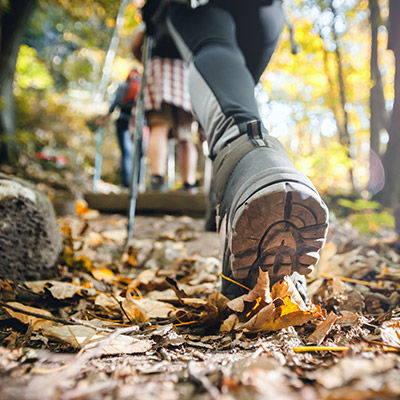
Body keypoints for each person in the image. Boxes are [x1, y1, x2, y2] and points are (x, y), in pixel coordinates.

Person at [140, 0, 329, 300]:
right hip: (264, 16)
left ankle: (247, 160)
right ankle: (233, 187)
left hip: (197, 11)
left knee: (214, 49)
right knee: (231, 90)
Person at [131, 22, 198, 193]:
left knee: (159, 126)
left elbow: (136, 45)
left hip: (158, 71)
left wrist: (146, 61)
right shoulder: (189, 15)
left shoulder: (156, 12)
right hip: (185, 74)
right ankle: (188, 184)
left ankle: (157, 177)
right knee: (185, 135)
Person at [97, 69, 140, 187]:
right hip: (139, 123)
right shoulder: (143, 86)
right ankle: (138, 184)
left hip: (123, 121)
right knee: (138, 154)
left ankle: (127, 185)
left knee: (126, 154)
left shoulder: (123, 86)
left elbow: (114, 104)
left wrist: (103, 119)